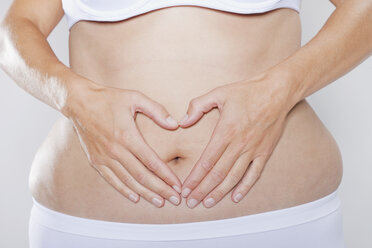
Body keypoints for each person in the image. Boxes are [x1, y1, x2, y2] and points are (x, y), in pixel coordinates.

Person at [0, 0, 371, 247]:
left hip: (281, 223)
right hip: (89, 228)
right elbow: (17, 27)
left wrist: (279, 89)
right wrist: (73, 98)